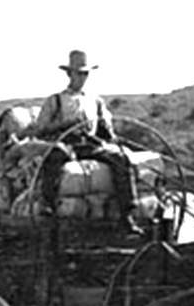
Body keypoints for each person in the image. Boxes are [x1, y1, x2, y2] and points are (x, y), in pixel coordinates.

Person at [30, 49, 140, 230]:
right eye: (79, 73)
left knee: (120, 159)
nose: (82, 78)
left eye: (85, 74)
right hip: (66, 144)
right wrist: (65, 124)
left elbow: (106, 131)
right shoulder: (55, 101)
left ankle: (127, 214)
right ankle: (47, 204)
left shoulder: (95, 101)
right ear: (69, 74)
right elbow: (41, 130)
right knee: (54, 155)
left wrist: (109, 134)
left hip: (90, 144)